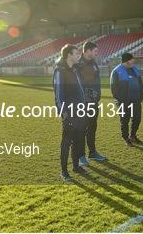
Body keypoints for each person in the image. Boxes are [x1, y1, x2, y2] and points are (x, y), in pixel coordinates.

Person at [53, 44, 88, 180]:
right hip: (69, 112)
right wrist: (63, 113)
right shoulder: (59, 71)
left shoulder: (75, 69)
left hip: (80, 110)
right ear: (68, 55)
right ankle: (64, 171)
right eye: (76, 53)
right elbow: (59, 94)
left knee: (78, 140)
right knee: (66, 141)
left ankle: (76, 166)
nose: (78, 56)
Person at [77, 41, 107, 166]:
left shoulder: (94, 63)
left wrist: (97, 95)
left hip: (94, 103)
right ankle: (80, 156)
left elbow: (96, 81)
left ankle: (92, 152)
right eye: (94, 51)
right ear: (87, 51)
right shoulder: (78, 65)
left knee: (92, 128)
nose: (96, 53)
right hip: (82, 104)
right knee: (81, 129)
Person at [110, 53, 143, 146]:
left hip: (136, 100)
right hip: (123, 102)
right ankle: (126, 138)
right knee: (125, 121)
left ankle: (133, 136)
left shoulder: (135, 69)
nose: (133, 61)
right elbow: (113, 88)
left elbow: (141, 84)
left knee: (137, 119)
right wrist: (121, 100)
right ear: (127, 60)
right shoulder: (116, 71)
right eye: (132, 59)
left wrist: (141, 96)